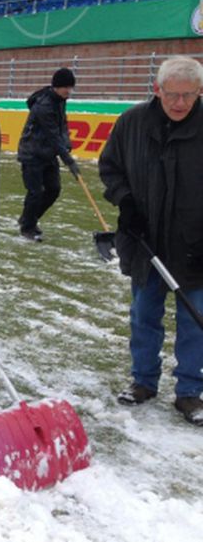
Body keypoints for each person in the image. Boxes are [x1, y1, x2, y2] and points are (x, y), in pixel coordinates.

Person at [98, 55, 203, 426]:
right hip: (146, 242)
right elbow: (110, 167)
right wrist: (125, 201)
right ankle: (143, 380)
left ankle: (190, 391)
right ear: (157, 90)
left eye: (188, 96)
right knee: (144, 315)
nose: (179, 103)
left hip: (195, 247)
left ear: (199, 92)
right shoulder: (132, 123)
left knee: (194, 320)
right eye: (171, 94)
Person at [16, 67, 80, 242]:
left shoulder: (60, 100)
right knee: (36, 192)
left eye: (71, 87)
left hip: (48, 154)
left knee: (54, 189)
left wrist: (67, 142)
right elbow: (52, 136)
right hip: (32, 153)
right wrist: (69, 161)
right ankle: (27, 228)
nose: (69, 91)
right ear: (56, 87)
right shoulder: (44, 106)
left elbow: (63, 125)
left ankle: (28, 218)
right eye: (66, 87)